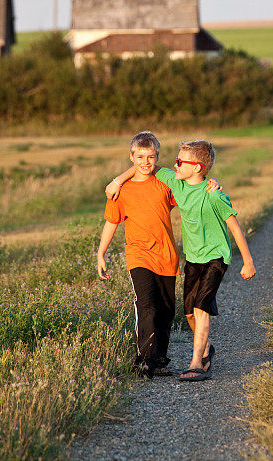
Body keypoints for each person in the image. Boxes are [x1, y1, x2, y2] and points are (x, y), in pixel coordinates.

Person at [107, 139, 256, 382]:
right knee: (189, 313)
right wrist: (117, 181)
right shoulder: (177, 185)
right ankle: (206, 348)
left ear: (197, 167)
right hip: (193, 258)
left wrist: (248, 262)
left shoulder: (214, 195)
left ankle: (198, 363)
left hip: (216, 257)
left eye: (179, 162)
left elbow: (235, 228)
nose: (174, 165)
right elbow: (145, 165)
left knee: (201, 307)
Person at [97, 132, 220, 378]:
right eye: (140, 156)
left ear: (157, 157)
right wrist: (101, 253)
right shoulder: (121, 190)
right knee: (147, 305)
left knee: (165, 309)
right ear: (131, 157)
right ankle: (144, 360)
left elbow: (192, 186)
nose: (145, 162)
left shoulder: (165, 183)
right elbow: (111, 222)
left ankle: (160, 359)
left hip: (166, 257)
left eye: (151, 157)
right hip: (138, 255)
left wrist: (211, 183)